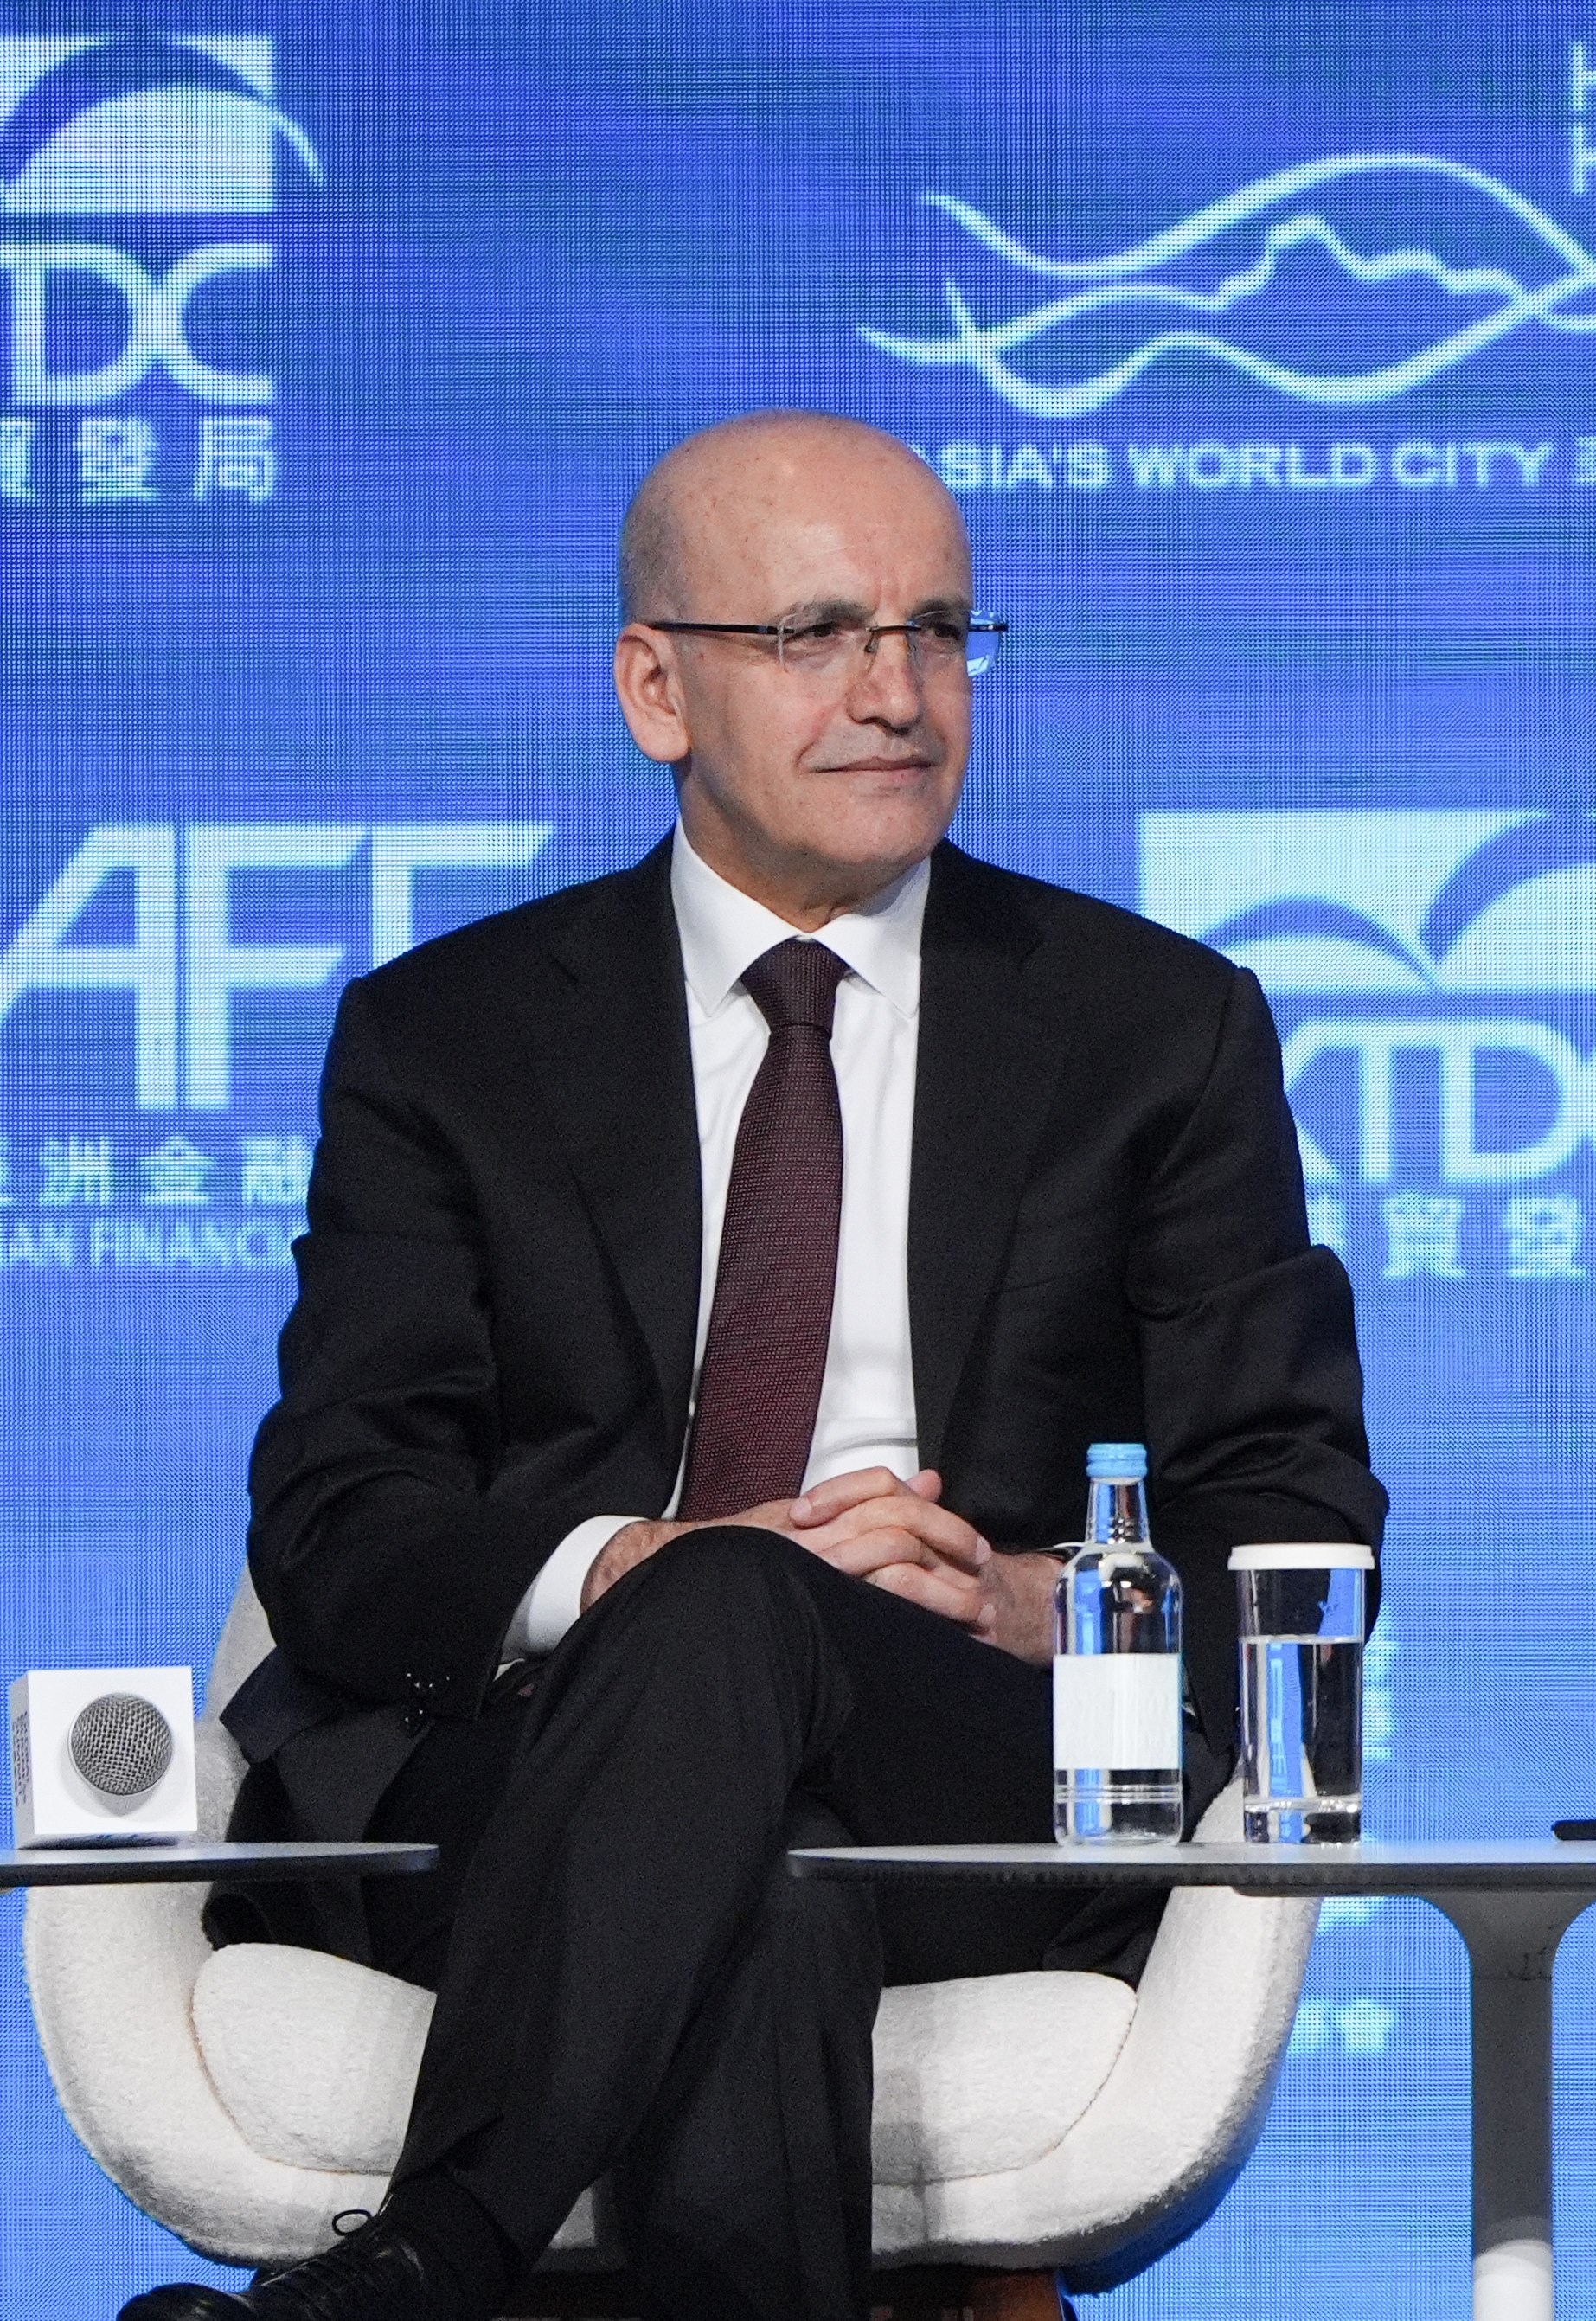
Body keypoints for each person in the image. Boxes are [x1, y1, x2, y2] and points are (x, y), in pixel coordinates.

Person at [131, 411, 1383, 2321]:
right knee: (769, 1864)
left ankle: (423, 2262)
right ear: (657, 687)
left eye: (940, 632)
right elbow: (341, 1518)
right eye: (816, 634)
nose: (897, 692)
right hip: (529, 1759)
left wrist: (1054, 1598)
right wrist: (629, 1568)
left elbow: (1295, 1522)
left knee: (763, 1662)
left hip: (968, 1752)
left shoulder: (1156, 1032)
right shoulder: (447, 1040)